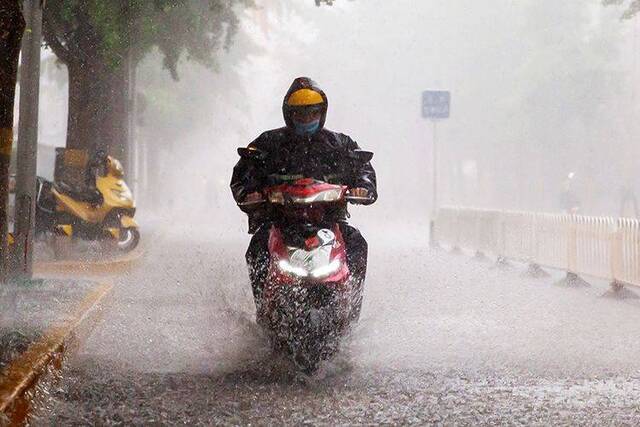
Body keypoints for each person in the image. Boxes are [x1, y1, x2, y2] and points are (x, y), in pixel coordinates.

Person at [230, 77, 378, 308]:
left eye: (312, 113)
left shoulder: (340, 144)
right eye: (300, 114)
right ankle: (263, 305)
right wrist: (249, 193)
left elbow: (362, 167)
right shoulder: (268, 144)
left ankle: (352, 304)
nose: (307, 119)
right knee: (258, 246)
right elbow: (245, 171)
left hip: (329, 221)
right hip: (279, 222)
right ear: (289, 115)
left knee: (357, 243)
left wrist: (364, 187)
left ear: (322, 113)